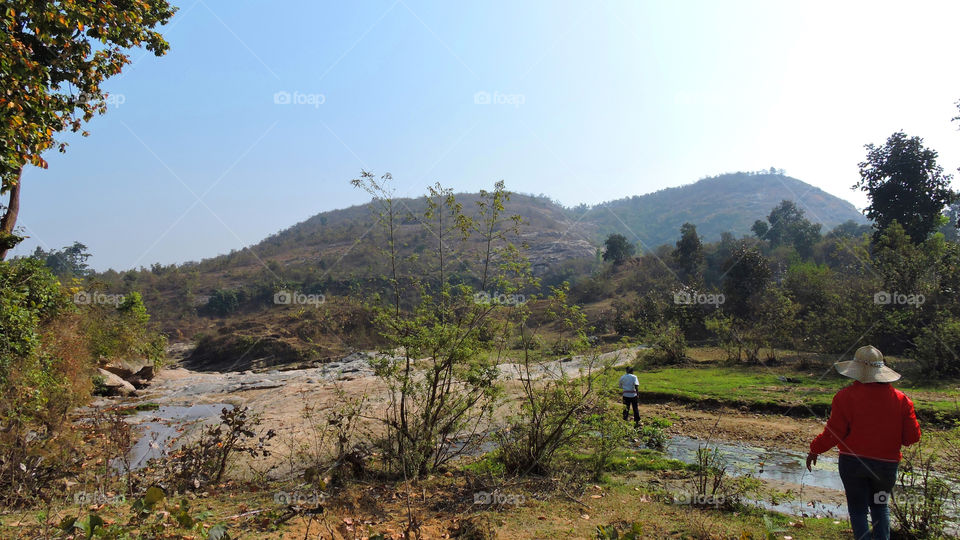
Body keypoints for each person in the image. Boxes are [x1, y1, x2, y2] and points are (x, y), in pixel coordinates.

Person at [806, 345, 921, 540]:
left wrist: (815, 449)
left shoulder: (844, 397)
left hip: (852, 464)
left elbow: (834, 434)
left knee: (858, 509)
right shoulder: (902, 400)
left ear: (856, 371)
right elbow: (912, 438)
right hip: (886, 466)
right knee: (880, 506)